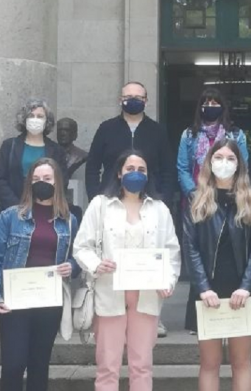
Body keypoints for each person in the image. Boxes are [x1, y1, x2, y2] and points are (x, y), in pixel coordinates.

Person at [73, 150, 181, 391]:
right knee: (107, 367)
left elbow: (172, 251)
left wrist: (169, 281)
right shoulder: (100, 205)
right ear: (119, 173)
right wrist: (95, 264)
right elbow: (81, 247)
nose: (136, 174)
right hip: (108, 293)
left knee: (142, 366)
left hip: (147, 296)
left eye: (141, 170)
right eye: (130, 169)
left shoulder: (160, 209)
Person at [83, 81, 177, 337]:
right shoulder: (106, 129)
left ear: (146, 100)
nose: (132, 100)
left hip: (148, 203)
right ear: (120, 99)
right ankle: (110, 317)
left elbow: (168, 169)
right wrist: (97, 200)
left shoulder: (157, 131)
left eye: (138, 97)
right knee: (112, 261)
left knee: (151, 258)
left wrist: (163, 202)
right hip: (111, 203)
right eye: (128, 96)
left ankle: (152, 317)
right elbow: (92, 167)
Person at [0, 157, 82, 391]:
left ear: (57, 182)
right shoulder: (10, 217)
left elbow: (79, 254)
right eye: (36, 179)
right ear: (29, 183)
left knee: (39, 365)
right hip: (14, 302)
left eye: (47, 178)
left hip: (49, 301)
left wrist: (72, 265)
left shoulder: (69, 220)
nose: (41, 182)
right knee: (13, 365)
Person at [183, 139, 251, 391]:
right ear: (209, 162)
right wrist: (203, 288)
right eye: (218, 157)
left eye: (230, 158)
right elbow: (190, 246)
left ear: (239, 164)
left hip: (241, 289)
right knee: (210, 362)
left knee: (241, 362)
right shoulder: (195, 199)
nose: (224, 163)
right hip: (207, 289)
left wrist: (246, 287)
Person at [0, 98, 68, 215]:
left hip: (46, 211)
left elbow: (61, 182)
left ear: (47, 121)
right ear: (24, 119)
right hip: (12, 211)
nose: (35, 119)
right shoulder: (9, 146)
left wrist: (44, 204)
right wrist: (16, 207)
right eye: (31, 116)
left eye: (40, 116)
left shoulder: (57, 151)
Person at [176, 87, 249, 197]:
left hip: (228, 194)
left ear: (222, 108)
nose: (210, 106)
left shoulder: (236, 135)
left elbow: (243, 167)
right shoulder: (189, 135)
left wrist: (233, 193)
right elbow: (183, 168)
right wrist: (192, 192)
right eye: (206, 103)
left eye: (214, 103)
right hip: (196, 195)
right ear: (200, 108)